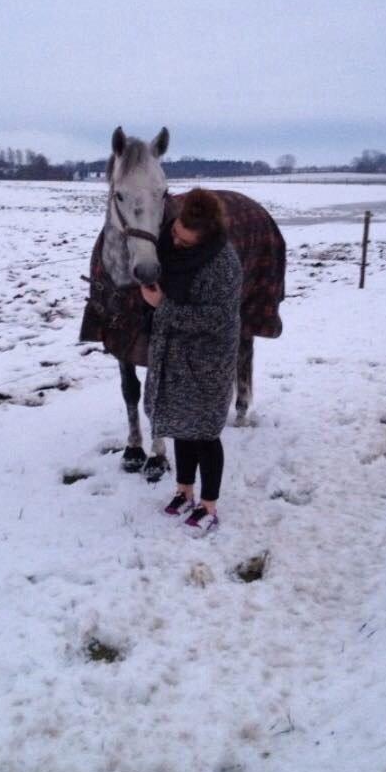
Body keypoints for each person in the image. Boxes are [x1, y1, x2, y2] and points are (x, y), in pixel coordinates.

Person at [141, 188, 242, 536]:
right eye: (175, 234)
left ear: (207, 236)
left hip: (207, 362)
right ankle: (184, 491)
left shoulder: (223, 264)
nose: (176, 242)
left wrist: (163, 307)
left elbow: (219, 319)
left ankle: (209, 506)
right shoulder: (170, 249)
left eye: (185, 241)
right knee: (181, 427)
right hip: (173, 354)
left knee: (205, 435)